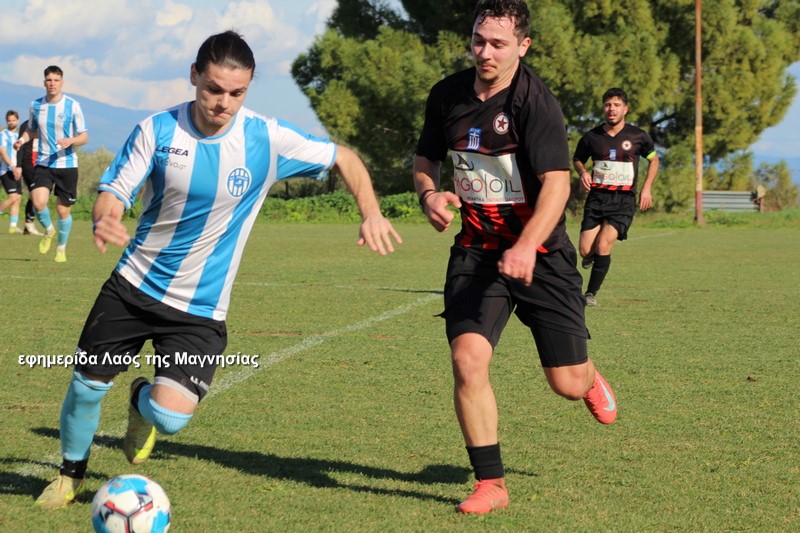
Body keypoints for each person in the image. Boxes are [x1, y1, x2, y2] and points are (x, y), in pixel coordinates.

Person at [35, 30, 402, 510]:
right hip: (132, 286)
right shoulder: (156, 130)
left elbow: (344, 158)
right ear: (194, 76)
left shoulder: (267, 138)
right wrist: (106, 217)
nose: (222, 103)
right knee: (86, 388)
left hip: (200, 310)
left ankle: (141, 400)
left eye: (236, 93)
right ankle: (70, 476)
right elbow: (114, 191)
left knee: (170, 419)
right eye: (213, 89)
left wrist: (371, 212)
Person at [413, 0, 617, 516]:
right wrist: (429, 194)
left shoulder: (535, 103)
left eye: (498, 44)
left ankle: (589, 379)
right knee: (467, 360)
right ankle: (491, 483)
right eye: (478, 40)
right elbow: (426, 157)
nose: (485, 52)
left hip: (541, 254)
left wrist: (527, 244)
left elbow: (557, 184)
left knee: (566, 383)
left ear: (522, 46)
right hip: (477, 252)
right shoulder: (447, 95)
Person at [573, 87, 659, 307]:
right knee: (585, 250)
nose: (611, 109)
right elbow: (578, 158)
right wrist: (583, 172)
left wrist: (646, 188)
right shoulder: (592, 137)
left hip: (623, 201)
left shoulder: (638, 136)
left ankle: (590, 294)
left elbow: (654, 160)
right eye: (608, 105)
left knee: (604, 245)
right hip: (597, 199)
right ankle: (592, 257)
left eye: (616, 105)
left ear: (625, 109)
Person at [13, 65, 89, 262]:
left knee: (63, 211)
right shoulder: (36, 105)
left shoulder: (73, 105)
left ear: (62, 82)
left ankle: (61, 248)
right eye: (49, 80)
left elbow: (84, 136)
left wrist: (71, 140)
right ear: (44, 82)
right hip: (44, 162)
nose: (52, 83)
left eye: (56, 80)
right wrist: (21, 140)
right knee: (38, 201)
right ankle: (49, 230)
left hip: (67, 164)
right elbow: (31, 130)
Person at [14, 119, 45, 235]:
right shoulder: (26, 125)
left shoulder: (45, 123)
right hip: (27, 162)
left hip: (41, 163)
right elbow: (20, 146)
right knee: (35, 191)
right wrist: (18, 166)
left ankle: (28, 224)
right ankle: (29, 222)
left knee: (38, 193)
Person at [0, 110, 23, 233]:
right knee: (13, 198)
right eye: (9, 120)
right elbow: (2, 152)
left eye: (13, 120)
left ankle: (13, 227)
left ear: (17, 120)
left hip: (17, 170)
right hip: (7, 170)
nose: (11, 122)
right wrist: (12, 166)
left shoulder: (20, 136)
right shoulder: (3, 135)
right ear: (6, 121)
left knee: (18, 199)